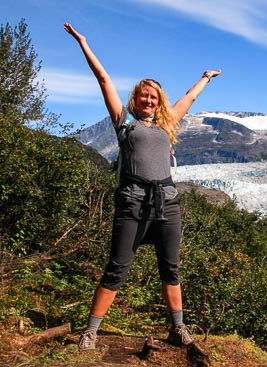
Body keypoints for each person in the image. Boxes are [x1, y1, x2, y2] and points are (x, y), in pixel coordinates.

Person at [64, 22, 221, 351]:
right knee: (117, 267)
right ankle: (91, 331)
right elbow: (103, 79)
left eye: (153, 96)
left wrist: (205, 78)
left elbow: (189, 98)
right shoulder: (124, 122)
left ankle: (178, 328)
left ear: (158, 101)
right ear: (134, 99)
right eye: (143, 95)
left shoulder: (169, 123)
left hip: (167, 202)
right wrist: (83, 42)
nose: (148, 100)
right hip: (132, 202)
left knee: (170, 267)